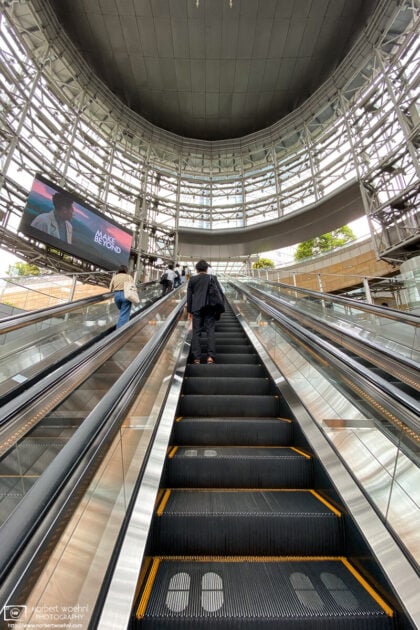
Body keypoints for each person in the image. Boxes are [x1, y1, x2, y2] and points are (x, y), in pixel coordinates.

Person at [187, 259, 224, 364]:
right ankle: (211, 357)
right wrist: (220, 308)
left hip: (197, 308)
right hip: (210, 308)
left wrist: (190, 311)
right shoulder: (213, 278)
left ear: (196, 269)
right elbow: (220, 293)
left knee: (196, 332)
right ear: (207, 269)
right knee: (210, 331)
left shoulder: (192, 279)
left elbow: (189, 296)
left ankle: (196, 358)